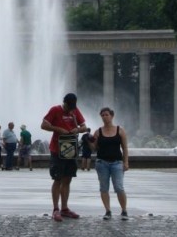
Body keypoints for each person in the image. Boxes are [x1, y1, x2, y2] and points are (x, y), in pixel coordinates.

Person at [41, 92, 88, 222]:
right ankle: (56, 209)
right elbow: (43, 125)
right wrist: (58, 129)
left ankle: (65, 208)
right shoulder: (55, 110)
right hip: (57, 149)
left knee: (67, 179)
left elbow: (84, 127)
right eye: (69, 107)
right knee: (57, 179)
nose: (70, 110)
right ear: (64, 103)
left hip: (71, 149)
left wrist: (77, 130)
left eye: (73, 107)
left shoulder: (75, 110)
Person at [91, 107, 130, 221]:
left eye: (106, 115)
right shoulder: (98, 132)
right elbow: (94, 148)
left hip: (117, 163)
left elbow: (125, 148)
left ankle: (124, 210)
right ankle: (108, 211)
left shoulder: (120, 130)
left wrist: (126, 162)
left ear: (112, 116)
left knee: (119, 187)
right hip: (102, 163)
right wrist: (88, 141)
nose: (104, 117)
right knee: (104, 188)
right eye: (102, 115)